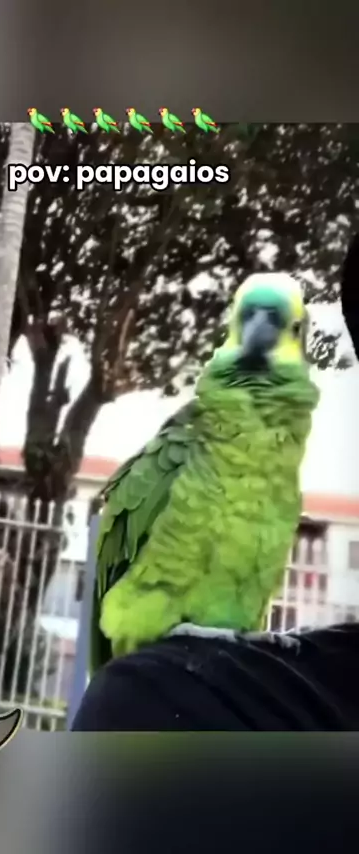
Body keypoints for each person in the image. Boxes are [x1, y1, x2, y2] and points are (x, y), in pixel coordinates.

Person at [72, 237, 359, 732]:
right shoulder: (176, 451)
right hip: (152, 668)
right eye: (246, 318)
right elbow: (114, 608)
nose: (261, 328)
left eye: (287, 326)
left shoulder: (285, 478)